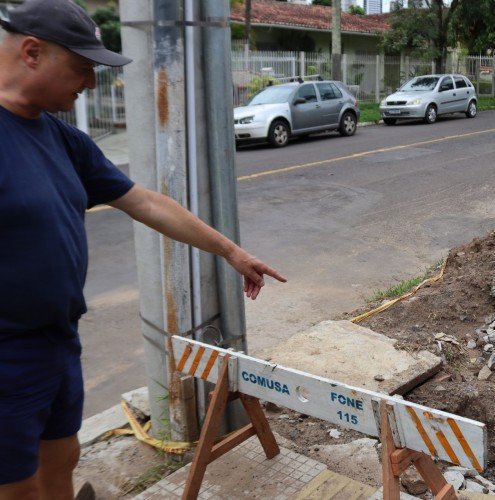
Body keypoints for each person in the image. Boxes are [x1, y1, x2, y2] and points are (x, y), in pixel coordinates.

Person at [0, 0, 287, 497]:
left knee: (62, 456)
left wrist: (230, 252)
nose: (90, 83)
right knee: (16, 482)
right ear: (31, 52)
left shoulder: (63, 140)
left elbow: (147, 203)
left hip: (57, 340)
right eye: (82, 68)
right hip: (6, 351)